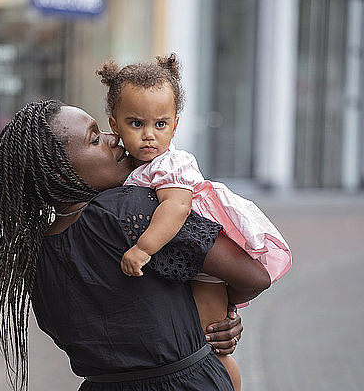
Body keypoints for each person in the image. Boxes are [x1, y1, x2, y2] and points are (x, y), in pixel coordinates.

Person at [0, 100, 271, 391]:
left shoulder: (33, 255)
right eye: (94, 138)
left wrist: (200, 320)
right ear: (60, 171)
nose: (113, 138)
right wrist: (219, 316)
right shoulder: (129, 212)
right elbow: (255, 276)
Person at [96, 53, 292, 390]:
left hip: (204, 263)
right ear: (114, 124)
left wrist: (143, 249)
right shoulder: (129, 165)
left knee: (208, 344)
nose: (148, 135)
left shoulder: (170, 164)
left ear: (175, 124)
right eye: (135, 123)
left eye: (160, 124)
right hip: (181, 264)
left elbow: (175, 208)